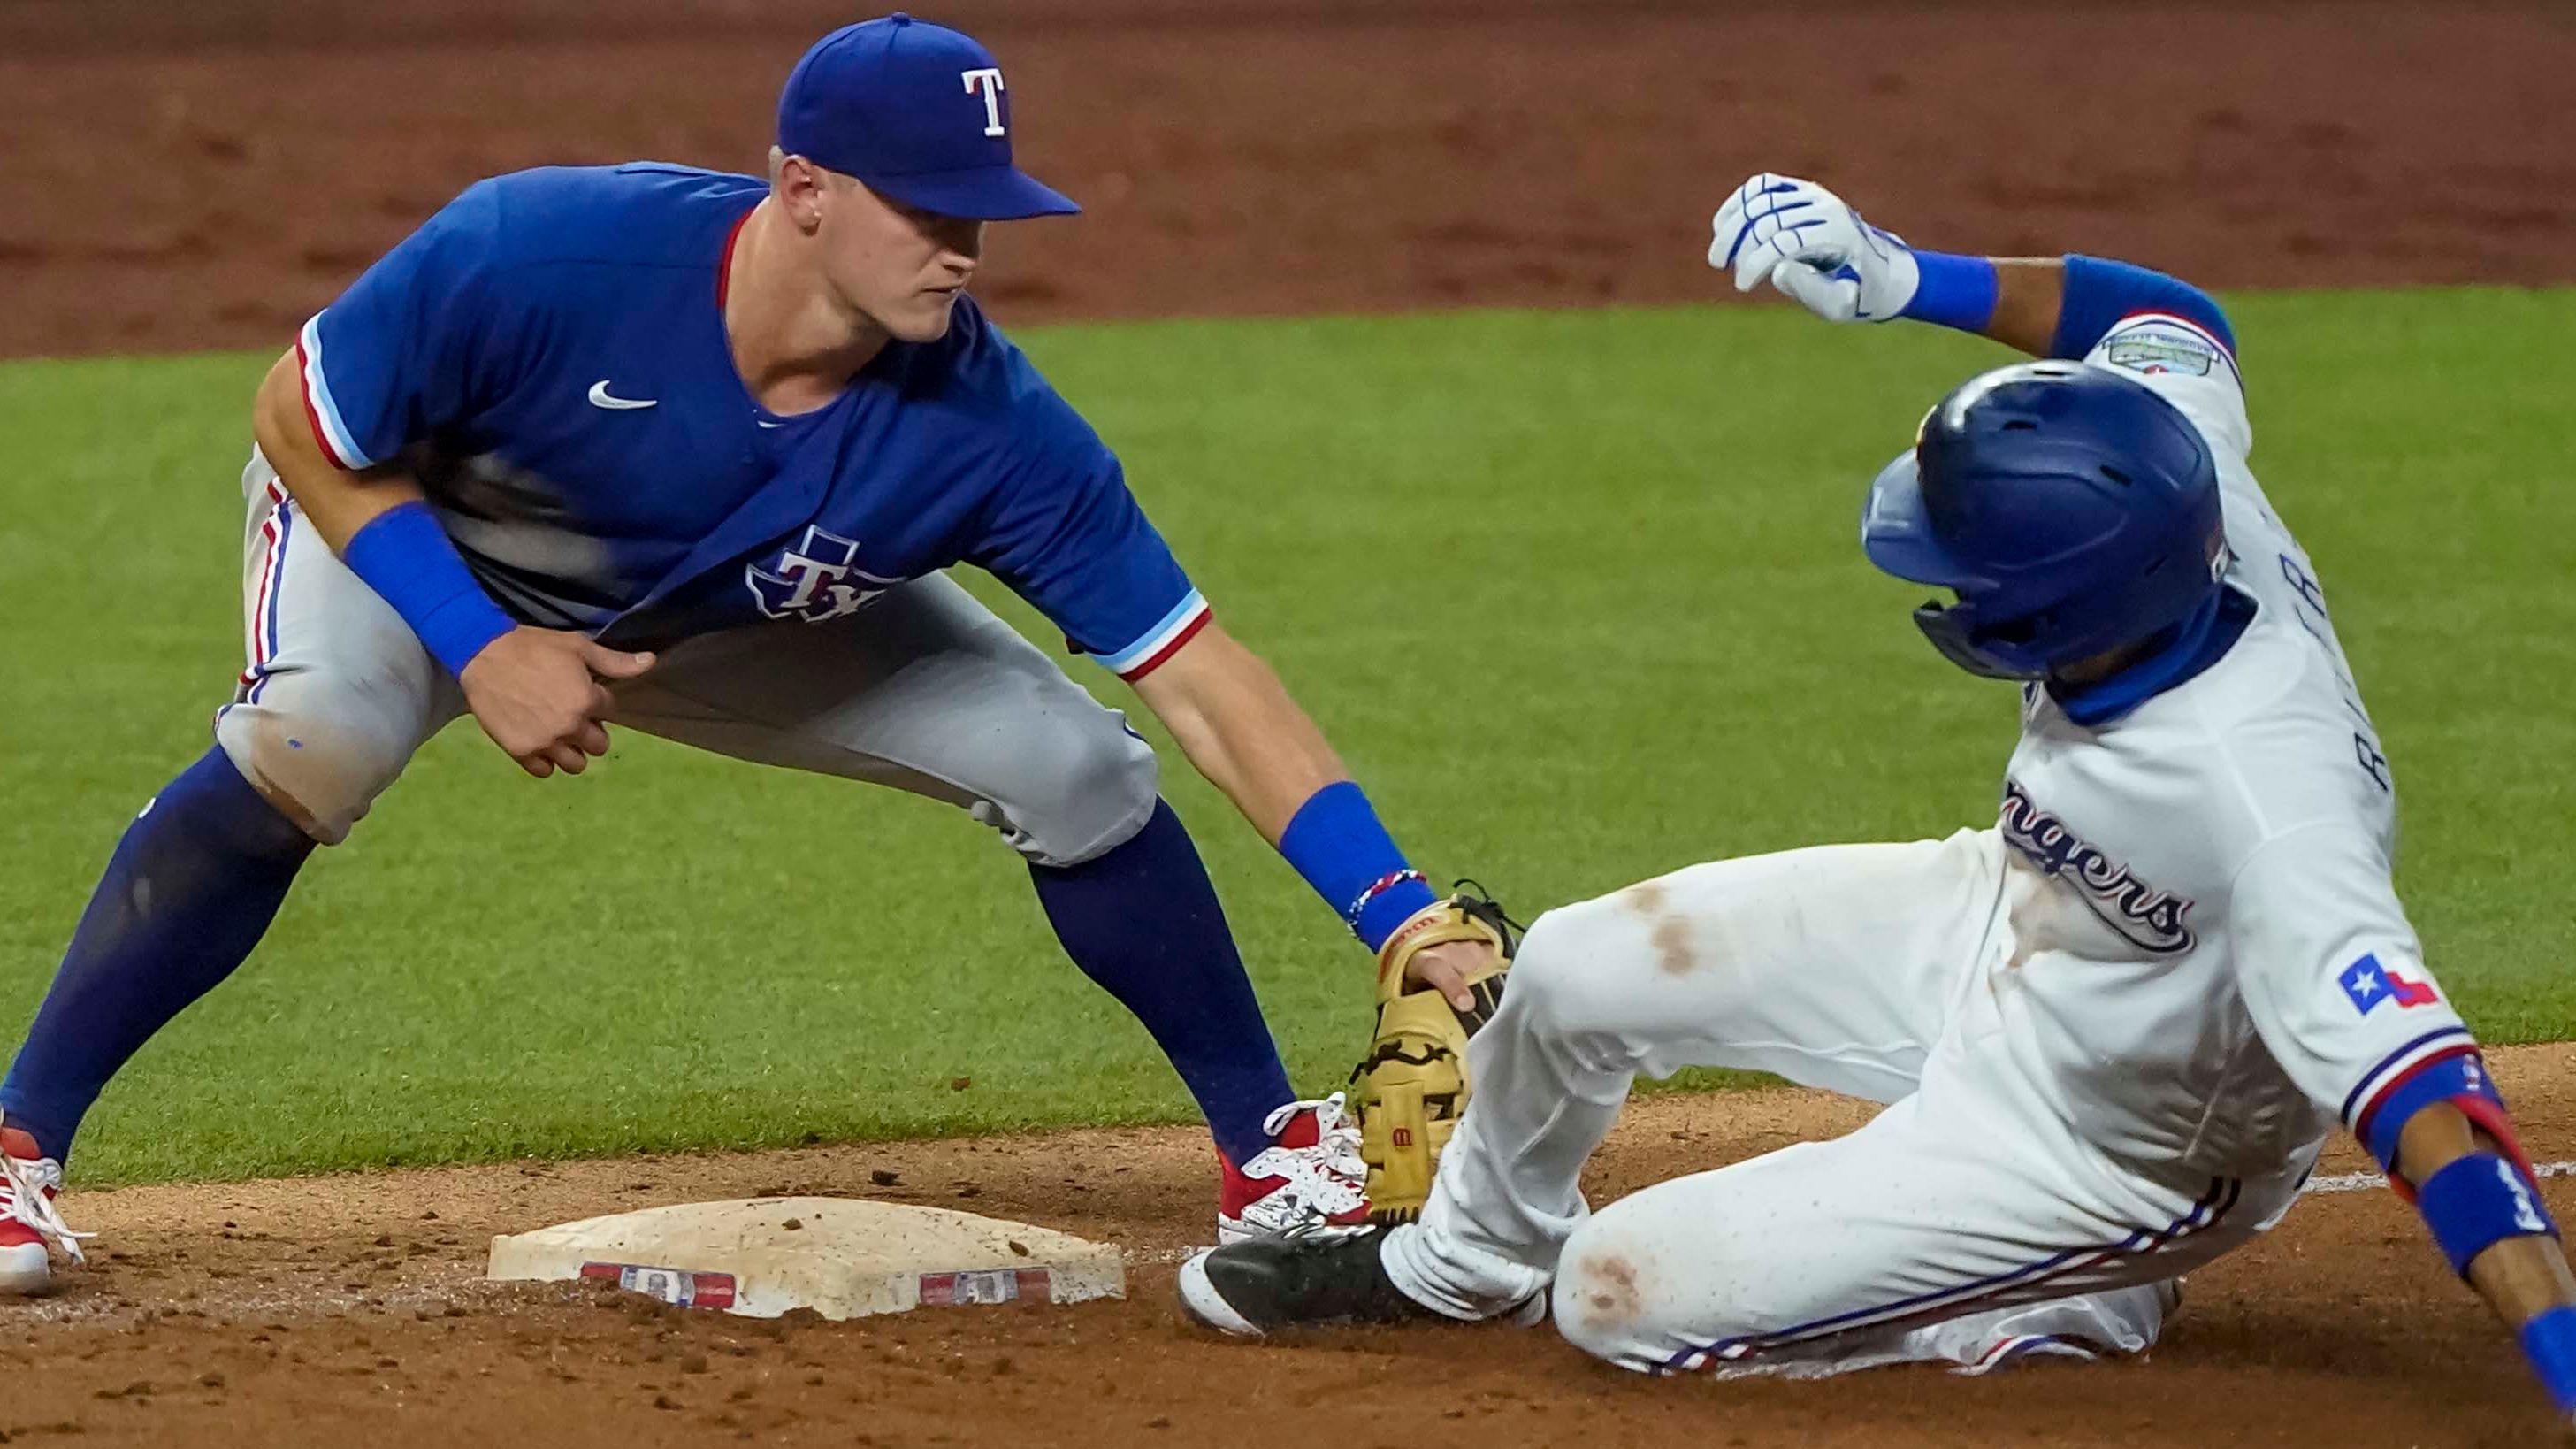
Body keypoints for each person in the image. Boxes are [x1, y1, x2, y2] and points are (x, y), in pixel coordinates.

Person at [0, 13, 1502, 1292]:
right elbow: (300, 419)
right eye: (924, 210)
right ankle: (15, 1142)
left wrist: (1395, 908)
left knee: (1075, 763)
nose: (961, 251)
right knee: (311, 741)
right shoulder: (546, 252)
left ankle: (1260, 1151)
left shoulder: (987, 425)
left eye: (979, 214)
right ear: (800, 188)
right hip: (407, 543)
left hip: (709, 615)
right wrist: (478, 640)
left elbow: (1196, 670)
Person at [1174, 172, 2576, 1418]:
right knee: (1580, 965)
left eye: (1963, 571)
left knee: (1613, 1294)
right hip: (2008, 917)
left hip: (2115, 1139)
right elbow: (2173, 319)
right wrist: (1911, 279)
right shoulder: (2169, 475)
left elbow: (2435, 1104)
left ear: (2052, 616)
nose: (1939, 580)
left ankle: (2062, 1300)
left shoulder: (2271, 813)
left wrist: (2560, 1350)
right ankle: (1459, 1263)